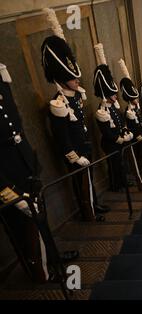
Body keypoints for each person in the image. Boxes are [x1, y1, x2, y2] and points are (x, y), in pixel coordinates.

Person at [0, 63, 78, 283]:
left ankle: (51, 258)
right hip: (7, 178)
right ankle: (39, 274)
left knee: (39, 220)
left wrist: (32, 165)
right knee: (23, 229)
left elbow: (16, 130)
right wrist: (8, 193)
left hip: (24, 166)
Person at [41, 9, 108, 222]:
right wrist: (74, 156)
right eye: (72, 78)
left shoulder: (74, 96)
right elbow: (61, 135)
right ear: (61, 78)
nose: (77, 81)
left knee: (87, 181)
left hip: (84, 147)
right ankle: (88, 213)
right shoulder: (58, 103)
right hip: (76, 154)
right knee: (80, 183)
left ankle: (94, 205)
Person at [93, 44, 133, 192]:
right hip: (110, 143)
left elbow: (119, 120)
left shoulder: (114, 106)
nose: (116, 96)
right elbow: (106, 131)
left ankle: (123, 182)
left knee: (121, 163)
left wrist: (124, 131)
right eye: (113, 94)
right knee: (114, 165)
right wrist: (117, 138)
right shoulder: (101, 110)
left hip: (119, 140)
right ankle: (116, 185)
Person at [119, 59, 142, 191]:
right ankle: (137, 171)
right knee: (136, 156)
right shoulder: (128, 110)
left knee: (141, 155)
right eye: (135, 98)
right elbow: (132, 125)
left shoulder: (136, 108)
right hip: (135, 137)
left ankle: (141, 168)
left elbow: (140, 121)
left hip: (141, 134)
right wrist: (138, 136)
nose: (137, 99)